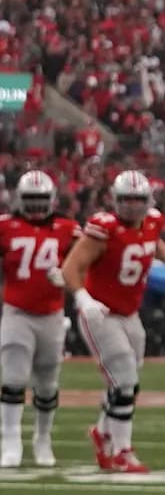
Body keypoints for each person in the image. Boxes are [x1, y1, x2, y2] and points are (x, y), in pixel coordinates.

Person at [60, 169, 165, 474]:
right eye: (126, 200)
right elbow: (71, 267)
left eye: (138, 200)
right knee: (123, 377)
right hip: (101, 313)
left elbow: (159, 249)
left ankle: (101, 432)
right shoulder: (103, 228)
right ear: (115, 200)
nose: (133, 206)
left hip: (129, 313)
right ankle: (122, 451)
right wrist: (83, 299)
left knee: (127, 385)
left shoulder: (152, 222)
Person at [1, 171, 78, 467]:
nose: (35, 206)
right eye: (30, 199)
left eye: (40, 199)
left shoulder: (68, 229)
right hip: (17, 312)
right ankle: (10, 442)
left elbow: (89, 261)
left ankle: (42, 439)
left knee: (47, 383)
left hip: (51, 313)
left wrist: (69, 275)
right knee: (13, 378)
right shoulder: (5, 226)